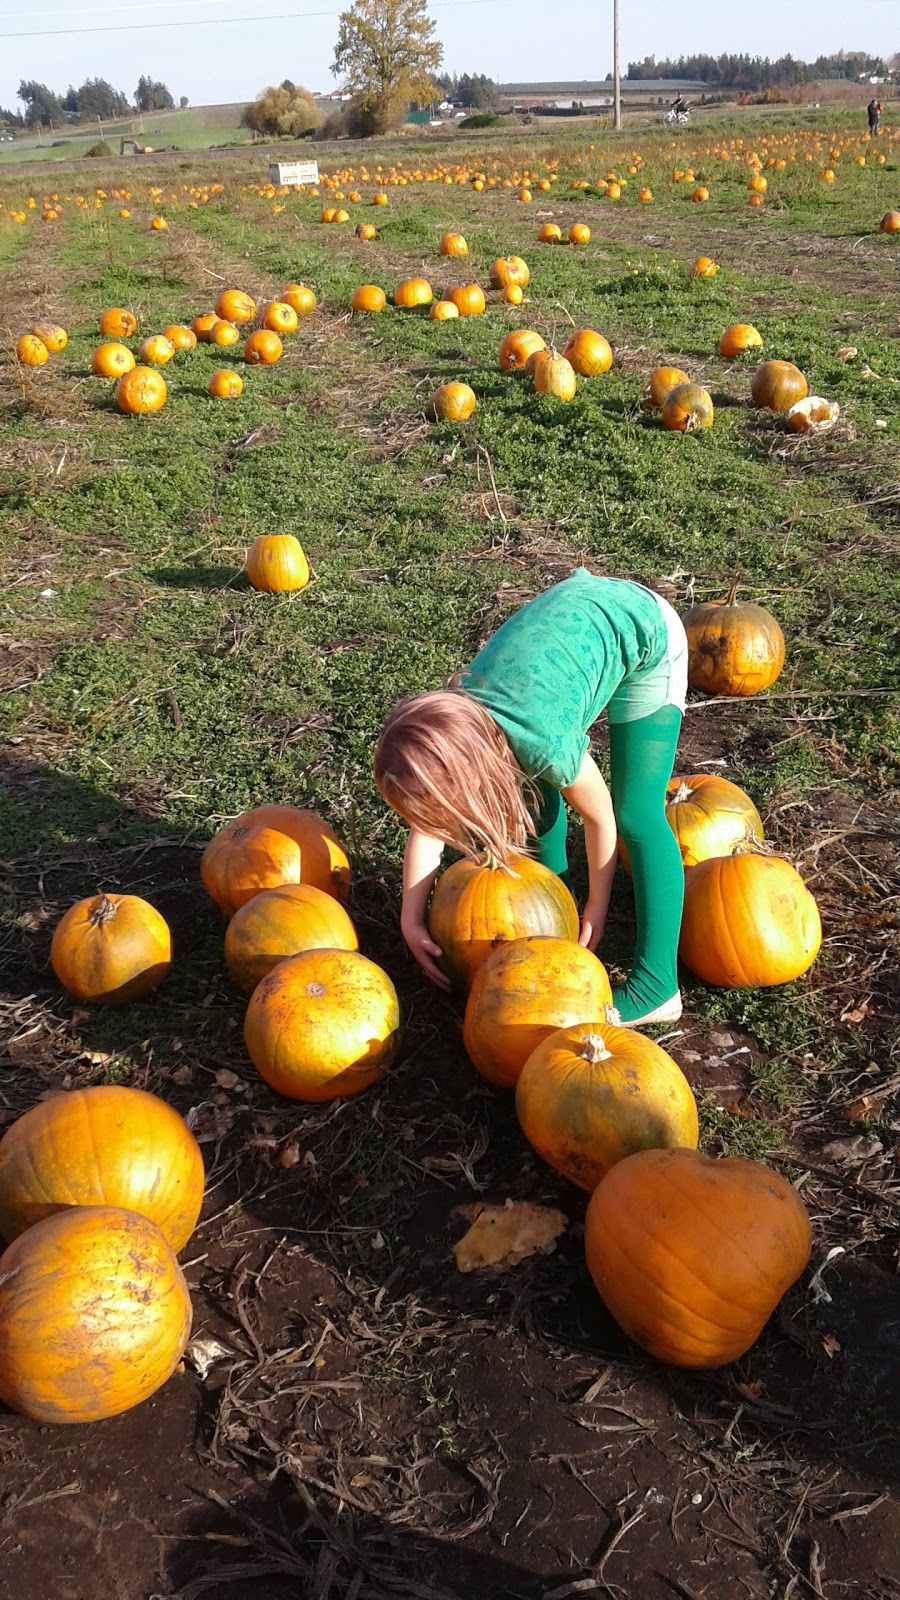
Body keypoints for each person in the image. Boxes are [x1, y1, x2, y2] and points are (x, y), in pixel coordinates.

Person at [374, 570, 689, 1027]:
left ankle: (658, 984)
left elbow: (599, 818)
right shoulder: (458, 725)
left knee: (635, 814)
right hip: (573, 625)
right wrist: (410, 919)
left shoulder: (543, 740)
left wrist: (595, 907)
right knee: (532, 789)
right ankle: (554, 892)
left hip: (646, 633)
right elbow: (428, 830)